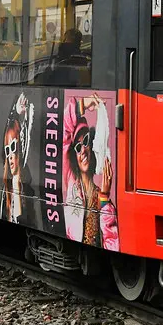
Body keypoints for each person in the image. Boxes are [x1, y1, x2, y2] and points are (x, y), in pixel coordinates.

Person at [62, 94, 118, 250]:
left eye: (86, 141)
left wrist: (105, 198)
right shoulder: (71, 180)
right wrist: (82, 104)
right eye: (77, 147)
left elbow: (112, 243)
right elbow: (63, 129)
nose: (83, 151)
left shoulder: (101, 195)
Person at [0, 93, 33, 224]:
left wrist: (16, 113)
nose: (10, 156)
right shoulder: (6, 190)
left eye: (13, 147)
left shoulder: (27, 185)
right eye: (7, 150)